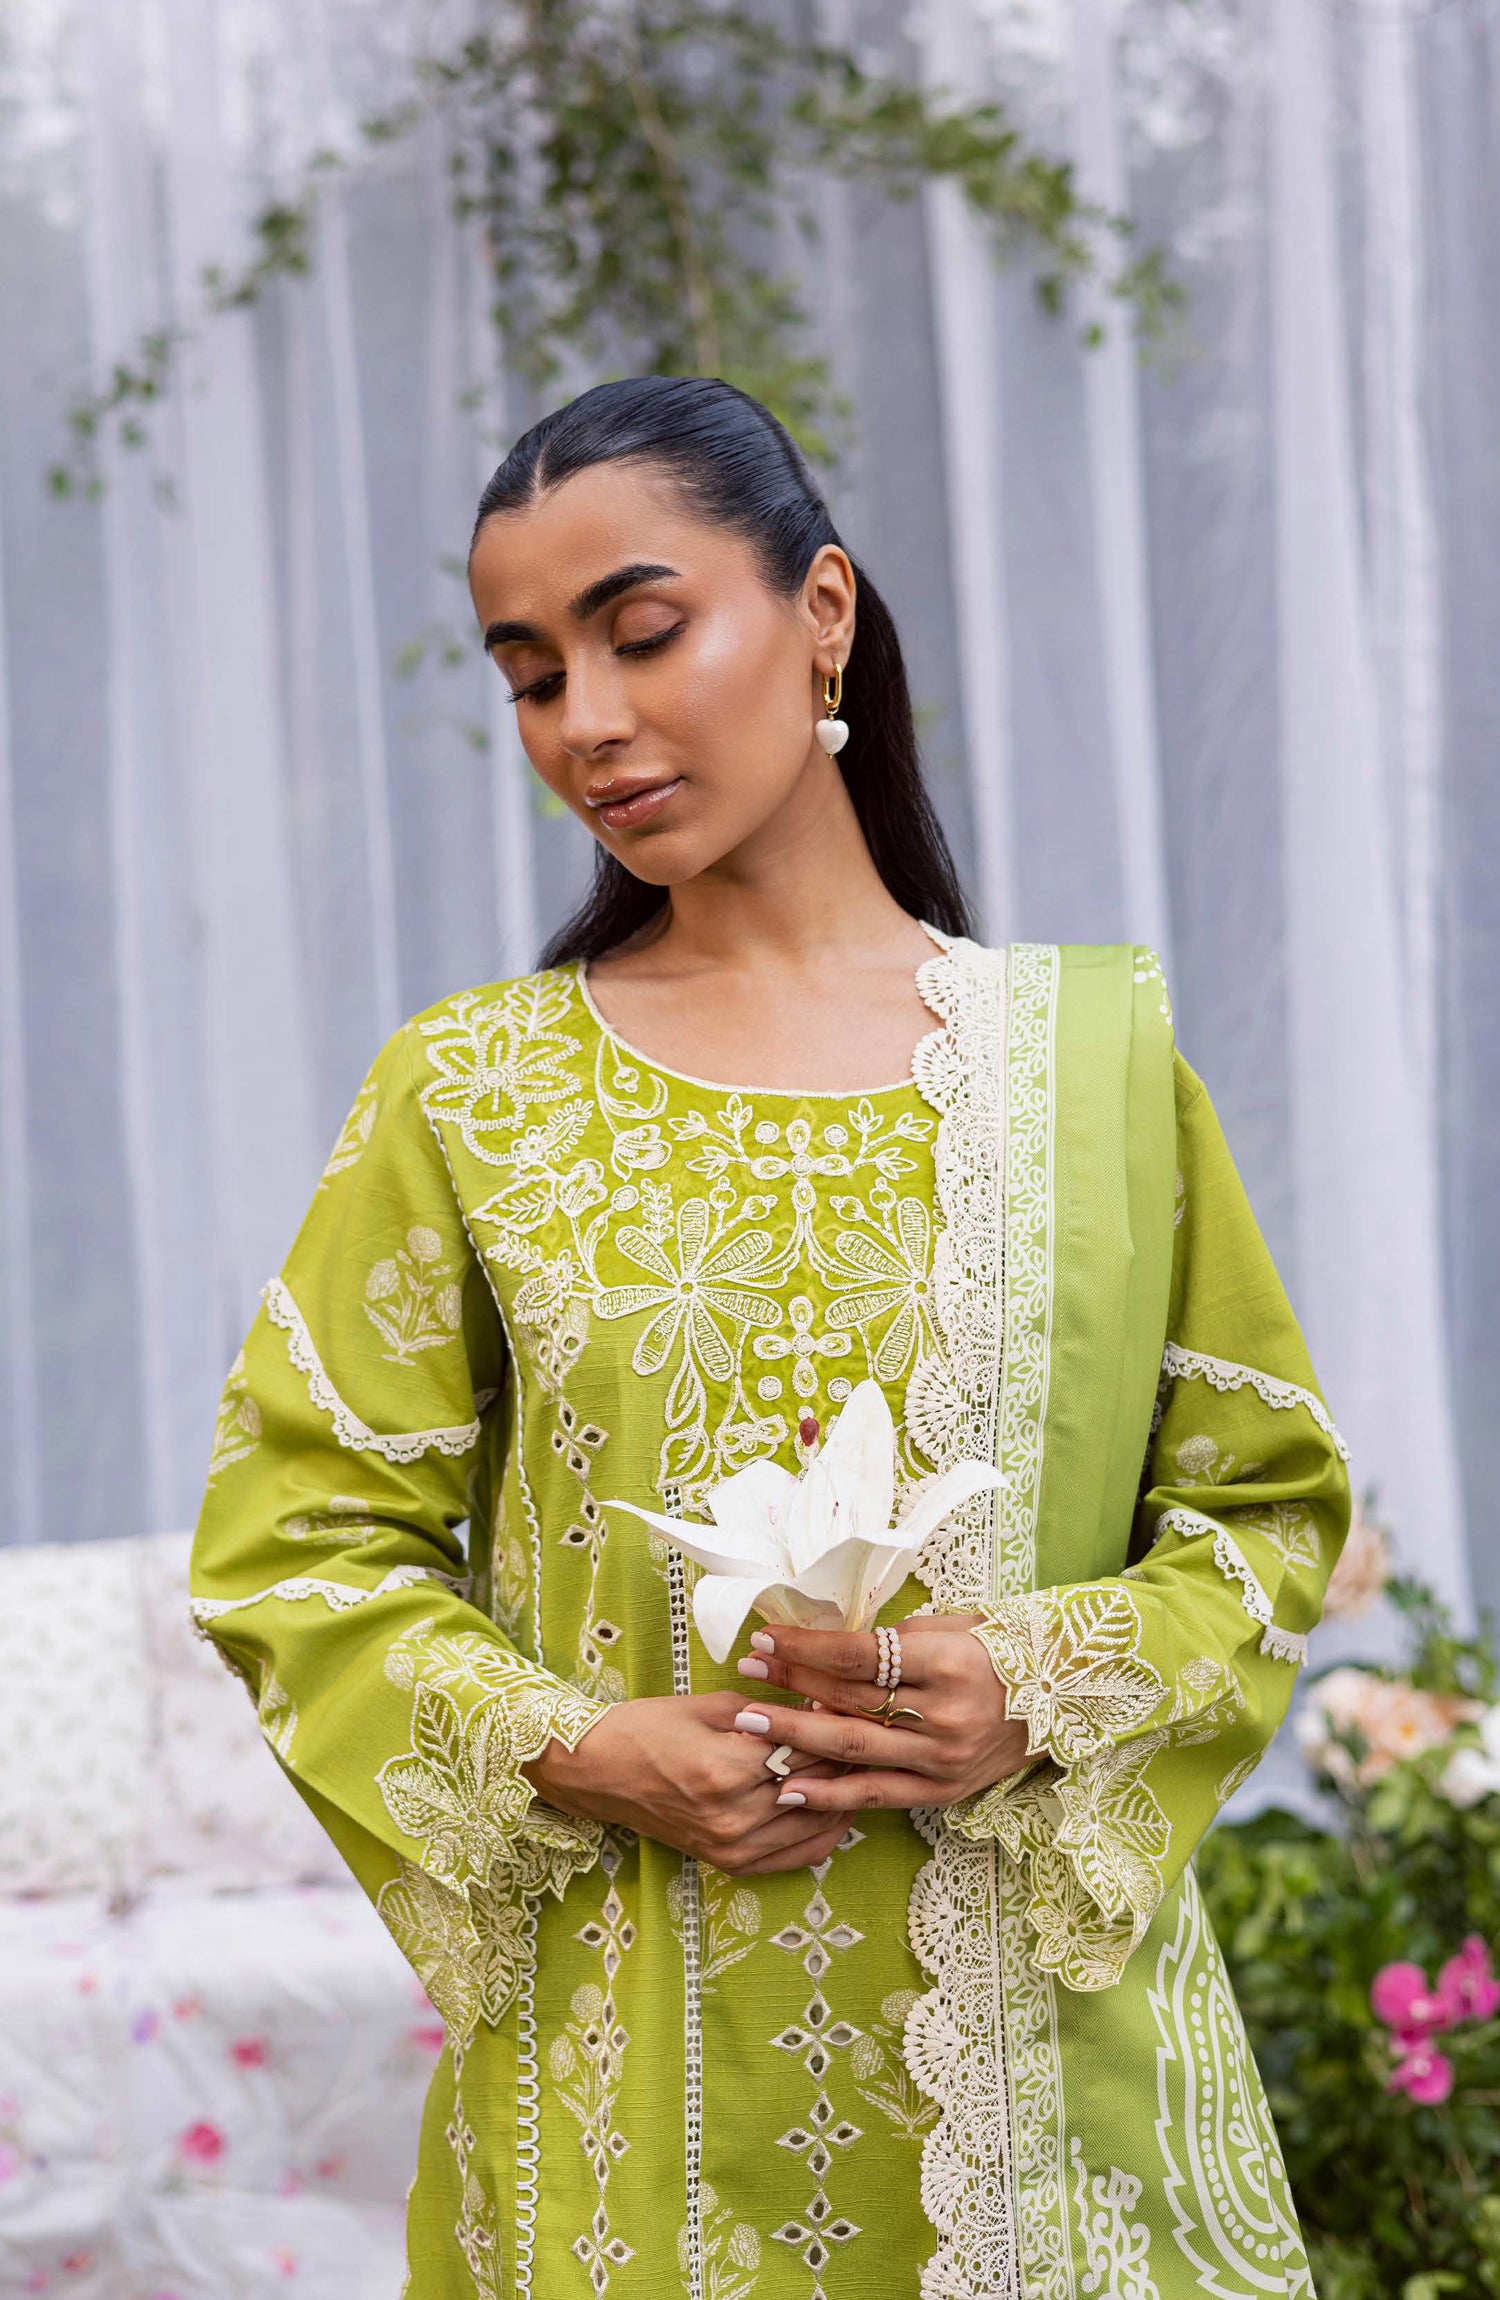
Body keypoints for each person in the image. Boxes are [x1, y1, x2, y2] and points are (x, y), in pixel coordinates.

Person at [191, 375, 1350, 2299]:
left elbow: (1264, 1516)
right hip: (624, 2113)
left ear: (822, 610)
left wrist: (1035, 1681)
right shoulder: (472, 1094)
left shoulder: (1088, 1068)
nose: (587, 721)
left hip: (1047, 2119)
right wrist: (578, 1748)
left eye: (642, 634)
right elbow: (293, 1548)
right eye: (531, 675)